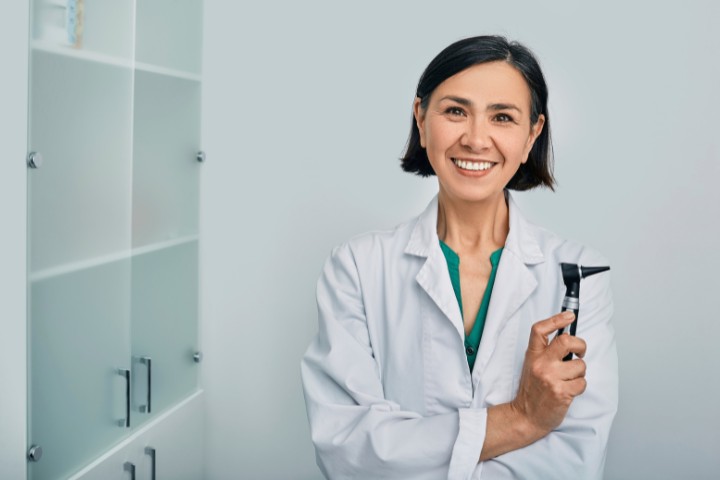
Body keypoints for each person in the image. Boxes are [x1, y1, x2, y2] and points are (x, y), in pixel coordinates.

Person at [301, 35, 618, 480]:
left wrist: (418, 449)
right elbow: (348, 450)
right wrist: (523, 418)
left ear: (532, 135)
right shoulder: (356, 267)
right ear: (421, 119)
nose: (475, 139)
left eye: (502, 117)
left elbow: (575, 457)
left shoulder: (578, 274)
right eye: (455, 111)